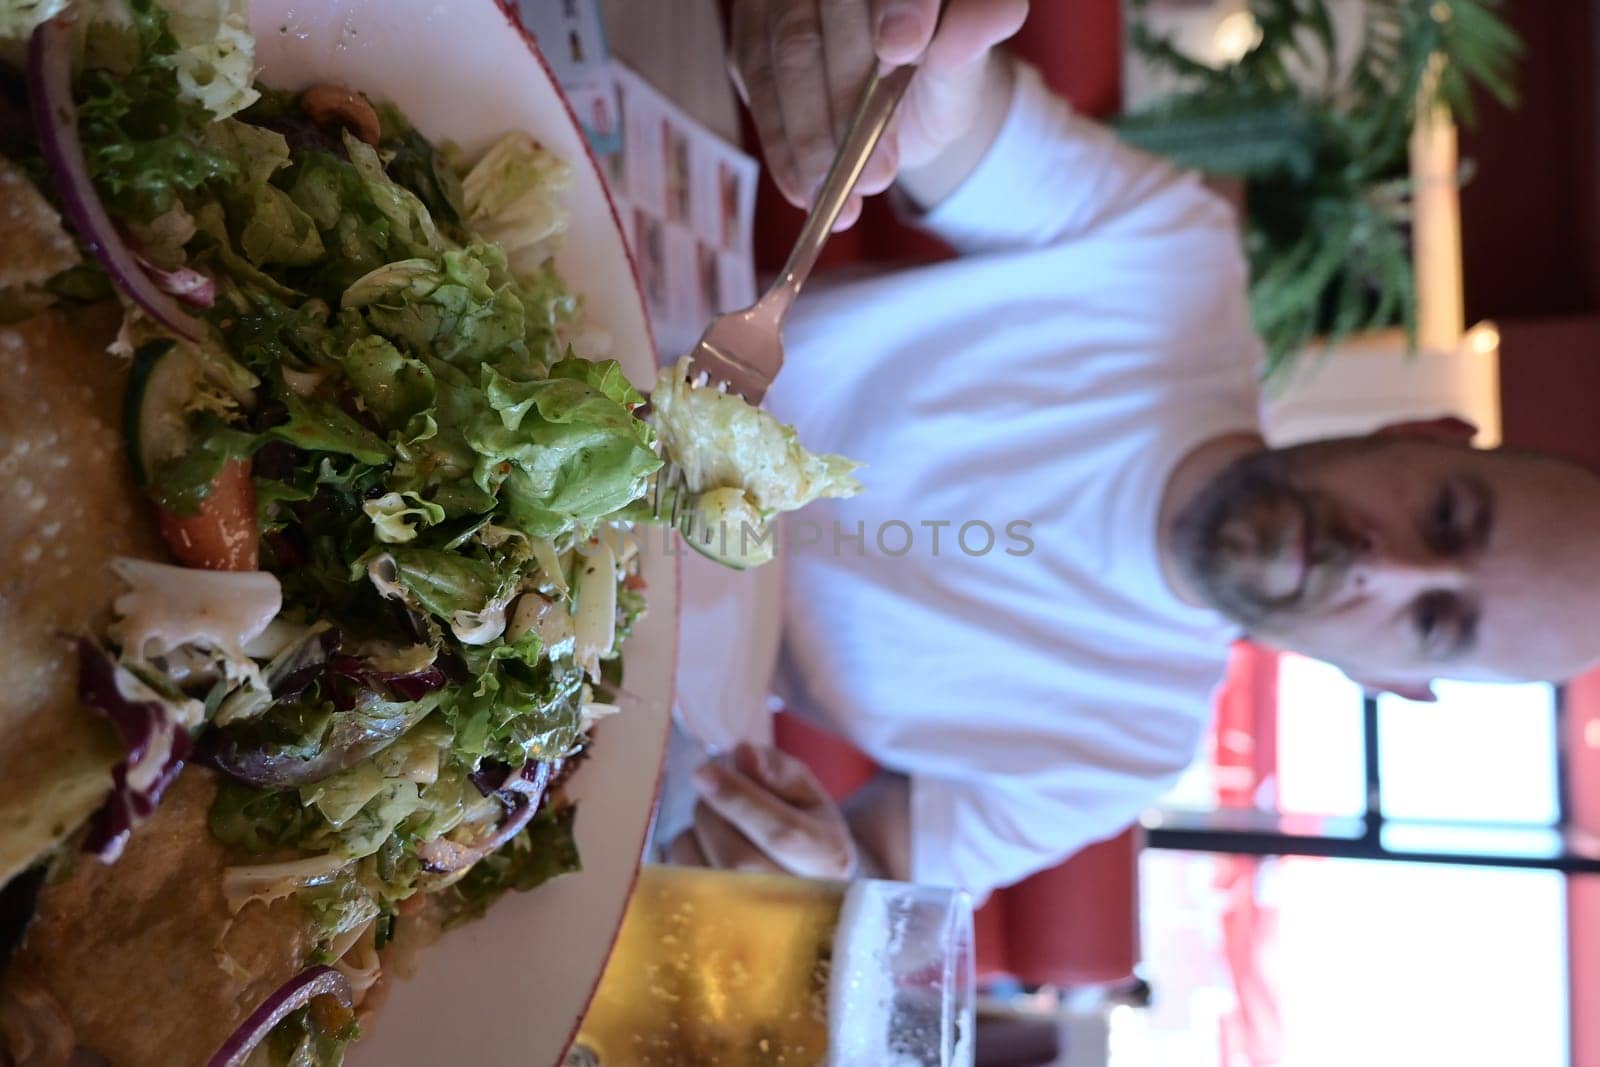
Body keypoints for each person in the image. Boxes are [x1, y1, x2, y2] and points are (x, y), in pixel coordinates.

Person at [668, 0, 1600, 902]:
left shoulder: (1128, 749)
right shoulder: (1178, 266)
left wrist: (803, 867)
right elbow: (952, 128)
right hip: (614, 356)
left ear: (1391, 681)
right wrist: (916, 57)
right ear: (1421, 434)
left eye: (1434, 620)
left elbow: (873, 867)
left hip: (626, 646)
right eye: (1446, 516)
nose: (1385, 565)